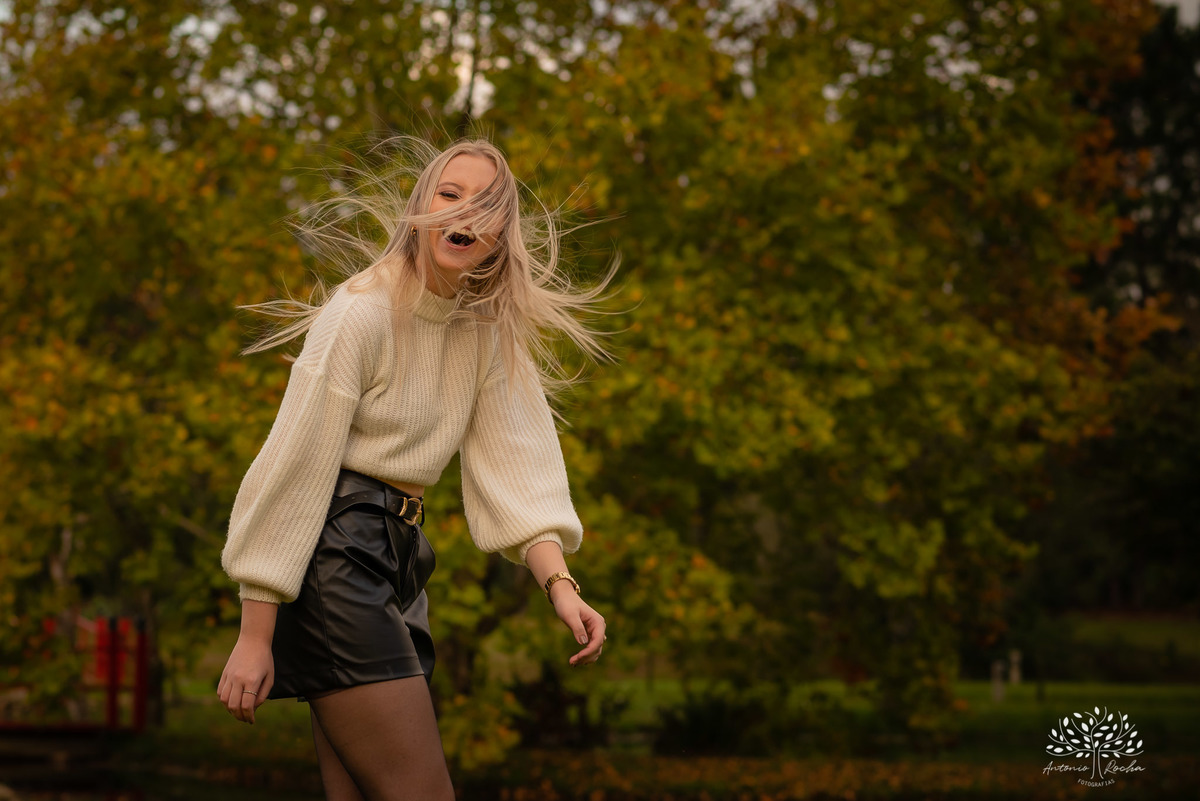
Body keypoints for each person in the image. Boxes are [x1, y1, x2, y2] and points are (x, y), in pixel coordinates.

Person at [216, 137, 610, 801]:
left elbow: (519, 462)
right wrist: (256, 633)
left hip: (401, 558)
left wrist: (561, 584)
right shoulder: (361, 311)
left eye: (485, 205)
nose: (464, 213)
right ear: (420, 208)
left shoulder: (484, 330)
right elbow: (295, 464)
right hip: (336, 558)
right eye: (448, 193)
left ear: (501, 233)